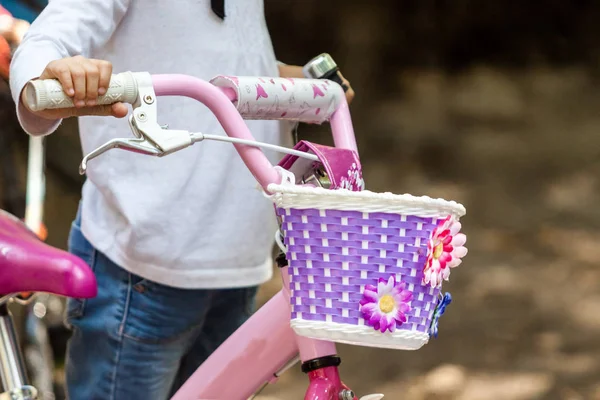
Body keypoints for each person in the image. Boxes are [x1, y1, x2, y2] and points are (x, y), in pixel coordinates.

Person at [9, 1, 354, 399]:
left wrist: (294, 82)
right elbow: (45, 41)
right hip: (142, 272)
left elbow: (216, 54)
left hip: (238, 263)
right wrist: (53, 71)